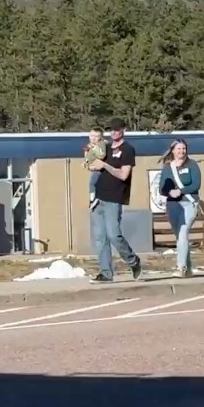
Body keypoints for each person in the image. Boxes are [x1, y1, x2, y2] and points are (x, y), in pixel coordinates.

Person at [87, 117, 143, 284]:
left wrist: (105, 166)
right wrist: (90, 159)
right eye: (111, 129)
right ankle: (106, 273)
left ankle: (133, 261)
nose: (114, 132)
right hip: (98, 197)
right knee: (100, 238)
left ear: (123, 130)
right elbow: (91, 164)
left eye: (117, 129)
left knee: (114, 235)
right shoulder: (104, 147)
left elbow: (123, 174)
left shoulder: (127, 150)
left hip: (115, 197)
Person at [159, 139, 202, 277]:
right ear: (173, 150)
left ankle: (180, 268)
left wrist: (181, 191)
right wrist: (169, 192)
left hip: (189, 203)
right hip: (173, 205)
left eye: (183, 148)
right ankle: (188, 269)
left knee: (183, 233)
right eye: (179, 149)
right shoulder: (167, 167)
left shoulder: (192, 165)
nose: (181, 151)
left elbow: (196, 184)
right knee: (180, 237)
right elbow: (162, 188)